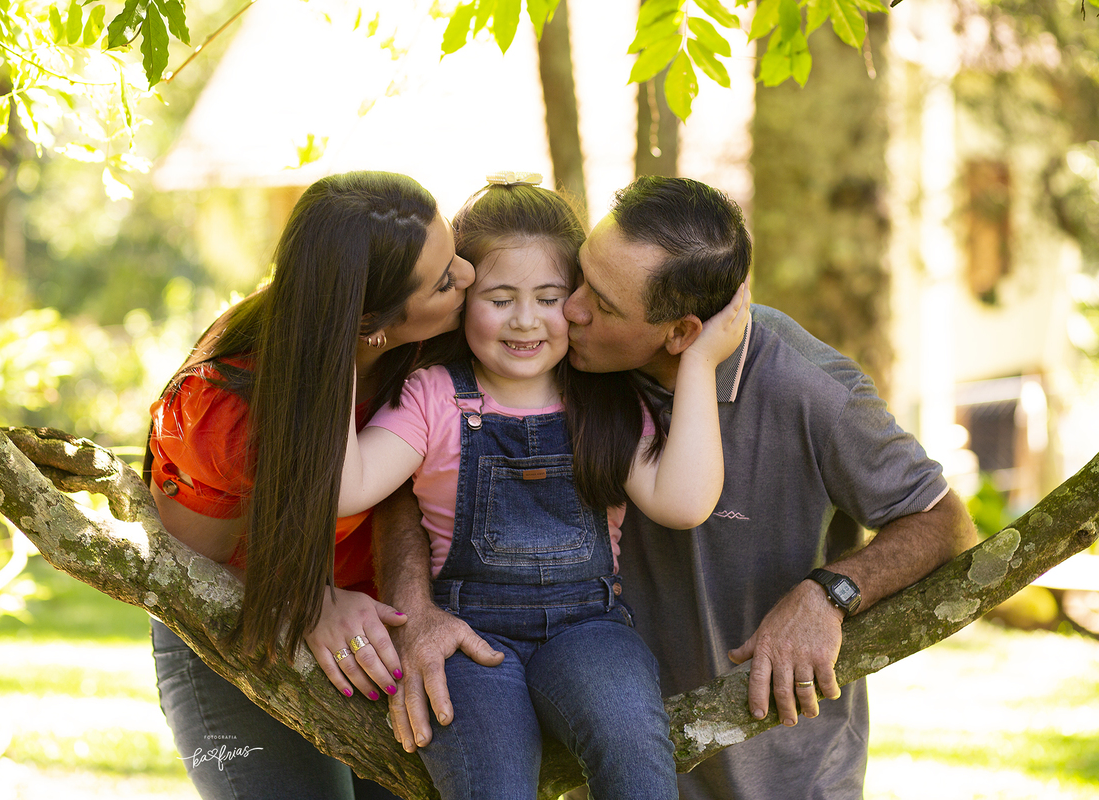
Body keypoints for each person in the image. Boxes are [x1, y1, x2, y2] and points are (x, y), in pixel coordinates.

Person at [376, 176, 977, 800]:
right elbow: (417, 481)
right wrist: (414, 612)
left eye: (600, 304)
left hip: (783, 770)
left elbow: (942, 521)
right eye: (579, 278)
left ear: (681, 334)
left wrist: (829, 594)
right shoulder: (570, 366)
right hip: (613, 745)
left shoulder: (810, 390)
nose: (570, 309)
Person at [339, 177, 750, 799]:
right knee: (492, 785)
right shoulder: (434, 396)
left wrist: (699, 363)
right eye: (500, 298)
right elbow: (349, 487)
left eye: (549, 297)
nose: (525, 320)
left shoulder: (606, 399)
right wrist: (336, 349)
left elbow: (683, 502)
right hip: (466, 636)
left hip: (590, 628)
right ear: (463, 298)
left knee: (636, 755)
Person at [144, 171, 491, 799]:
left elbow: (406, 495)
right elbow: (190, 568)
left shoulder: (433, 348)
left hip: (378, 623)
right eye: (445, 280)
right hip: (232, 627)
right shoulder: (222, 412)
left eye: (454, 254)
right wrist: (304, 599)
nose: (469, 276)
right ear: (369, 323)